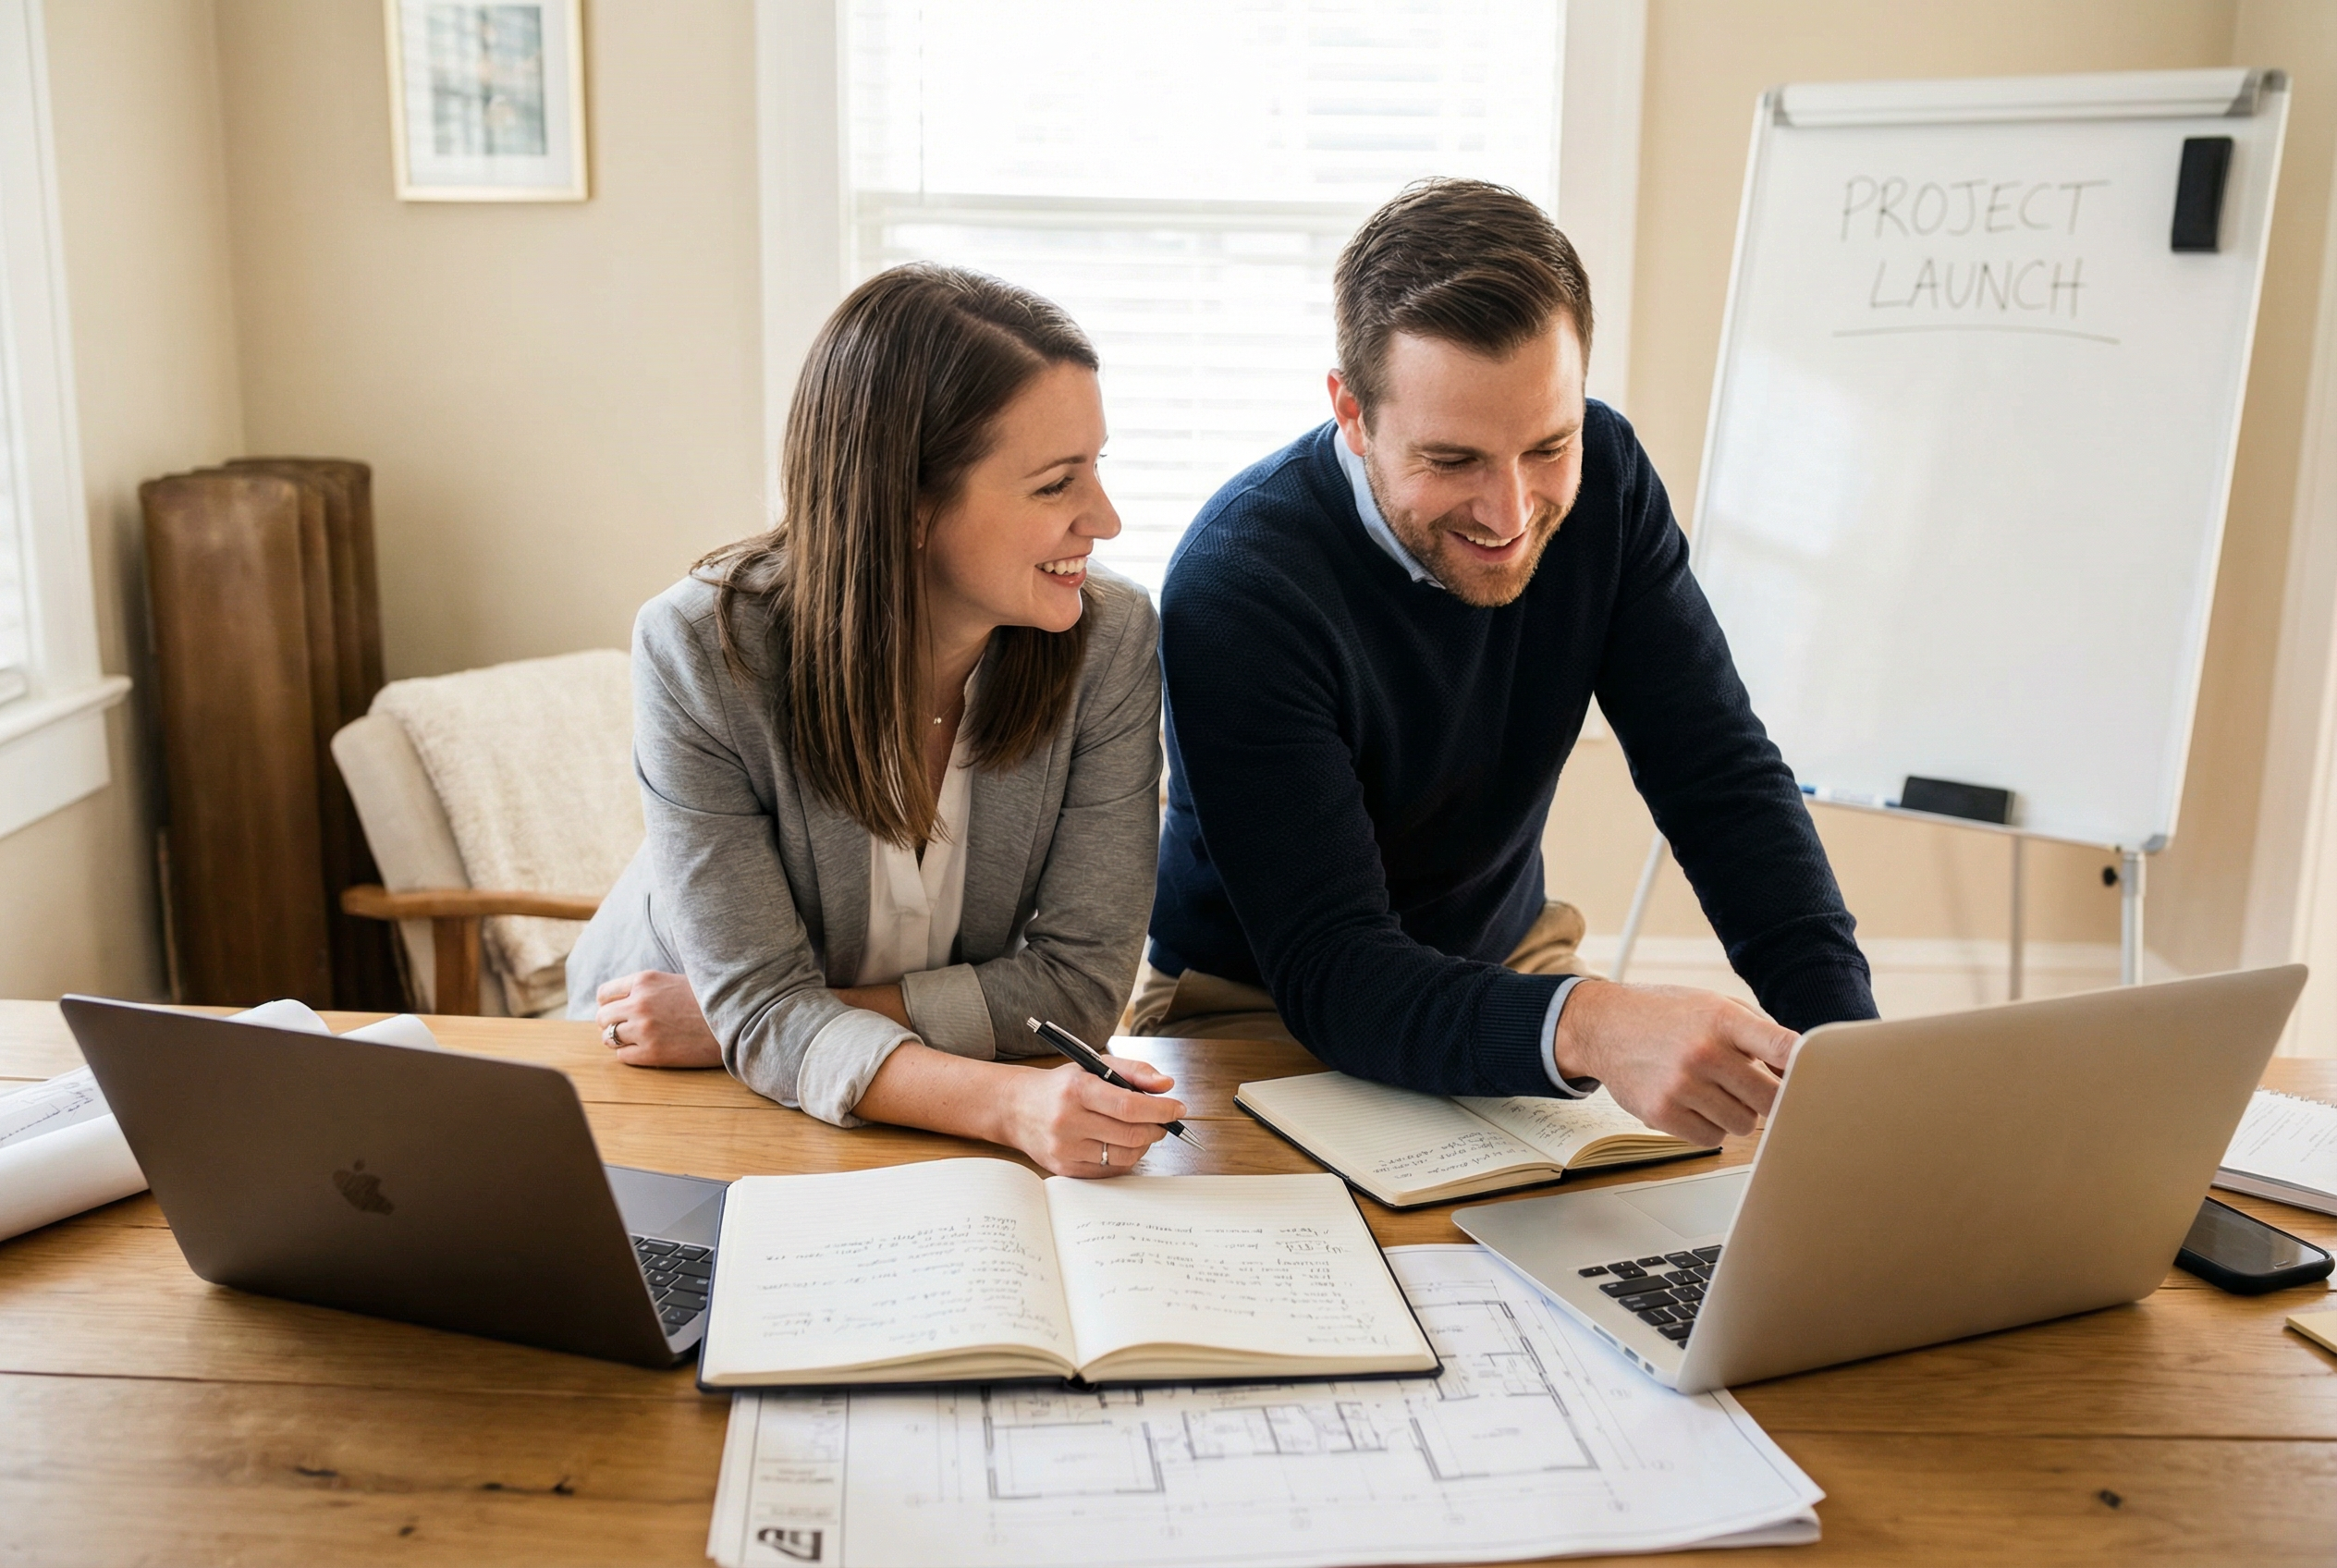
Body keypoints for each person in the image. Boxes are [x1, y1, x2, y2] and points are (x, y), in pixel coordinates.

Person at [1132, 178, 1878, 1148]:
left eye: (1546, 446)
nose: (1511, 511)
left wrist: (1852, 1068)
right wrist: (1589, 1022)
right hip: (1262, 1004)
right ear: (1351, 414)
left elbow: (1719, 780)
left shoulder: (1605, 476)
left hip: (1506, 962)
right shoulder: (1240, 584)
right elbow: (1333, 969)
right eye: (1452, 461)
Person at [569, 263, 1181, 1177]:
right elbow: (765, 1018)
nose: (1105, 517)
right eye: (1056, 484)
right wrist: (1006, 1102)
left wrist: (759, 1015)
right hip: (665, 1081)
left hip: (744, 1046)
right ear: (908, 507)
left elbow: (1078, 989)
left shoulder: (1110, 638)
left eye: (1097, 468)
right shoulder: (699, 650)